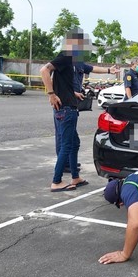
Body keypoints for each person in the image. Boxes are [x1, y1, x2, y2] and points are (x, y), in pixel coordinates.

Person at [40, 27, 90, 192]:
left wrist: (73, 92)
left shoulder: (70, 60)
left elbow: (60, 81)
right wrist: (51, 94)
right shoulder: (66, 56)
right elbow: (44, 70)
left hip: (69, 106)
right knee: (67, 145)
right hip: (65, 109)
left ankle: (75, 177)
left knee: (74, 143)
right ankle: (57, 181)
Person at [54, 56, 119, 174]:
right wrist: (51, 94)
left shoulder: (79, 63)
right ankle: (62, 168)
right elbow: (52, 78)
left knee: (72, 140)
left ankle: (69, 165)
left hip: (73, 103)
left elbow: (93, 68)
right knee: (65, 138)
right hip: (64, 104)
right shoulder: (64, 62)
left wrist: (109, 70)